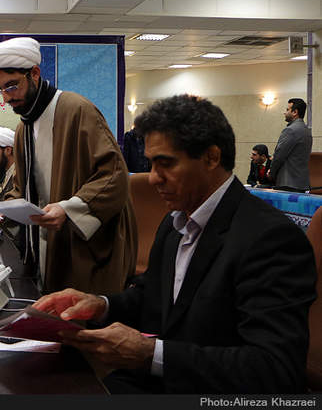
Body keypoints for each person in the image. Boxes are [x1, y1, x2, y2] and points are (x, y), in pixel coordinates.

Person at [33, 94, 317, 393]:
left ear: (211, 157)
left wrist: (151, 354)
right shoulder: (175, 223)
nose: (153, 178)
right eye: (151, 164)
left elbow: (274, 368)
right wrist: (99, 305)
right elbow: (152, 296)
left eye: (165, 164)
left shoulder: (271, 239)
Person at [0, 37, 136, 295]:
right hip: (45, 245)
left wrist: (68, 209)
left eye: (12, 86)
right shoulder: (24, 128)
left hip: (84, 245)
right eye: (0, 89)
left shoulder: (76, 110)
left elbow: (114, 175)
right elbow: (22, 188)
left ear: (34, 74)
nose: (6, 97)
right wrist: (3, 210)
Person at [268, 98, 312, 193]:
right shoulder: (307, 131)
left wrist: (271, 173)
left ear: (295, 112)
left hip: (287, 183)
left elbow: (279, 156)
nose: (284, 112)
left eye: (287, 109)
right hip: (302, 183)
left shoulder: (290, 130)